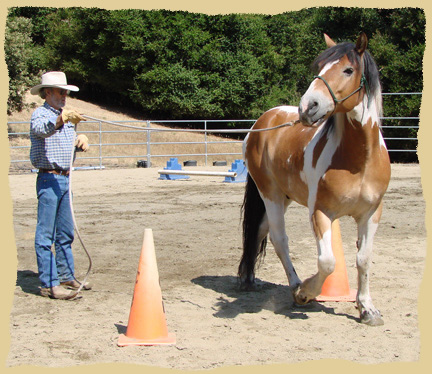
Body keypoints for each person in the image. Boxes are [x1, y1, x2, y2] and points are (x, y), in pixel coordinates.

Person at [29, 71, 92, 299]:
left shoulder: (66, 117)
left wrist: (79, 141)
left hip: (65, 178)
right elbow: (43, 130)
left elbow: (62, 145)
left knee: (65, 232)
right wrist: (61, 120)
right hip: (49, 178)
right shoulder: (41, 114)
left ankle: (66, 275)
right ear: (48, 92)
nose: (64, 95)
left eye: (66, 92)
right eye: (60, 91)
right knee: (45, 234)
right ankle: (49, 283)